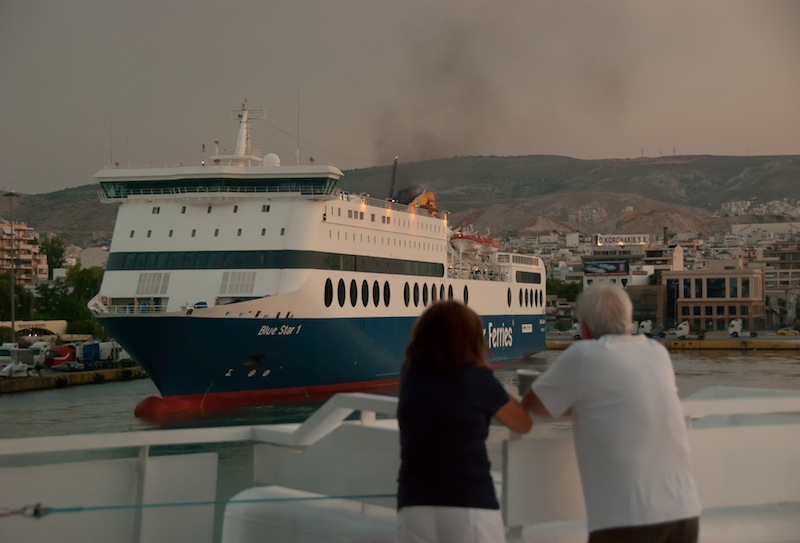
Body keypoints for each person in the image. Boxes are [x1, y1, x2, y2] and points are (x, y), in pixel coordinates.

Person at [523, 282, 701, 542]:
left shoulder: (584, 355)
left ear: (585, 328)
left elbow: (533, 404)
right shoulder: (657, 353)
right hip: (684, 513)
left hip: (627, 518)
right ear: (628, 320)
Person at [397, 300, 532, 543]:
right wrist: (487, 373)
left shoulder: (410, 374)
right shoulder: (477, 379)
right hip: (468, 503)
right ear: (472, 338)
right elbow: (523, 423)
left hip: (413, 505)